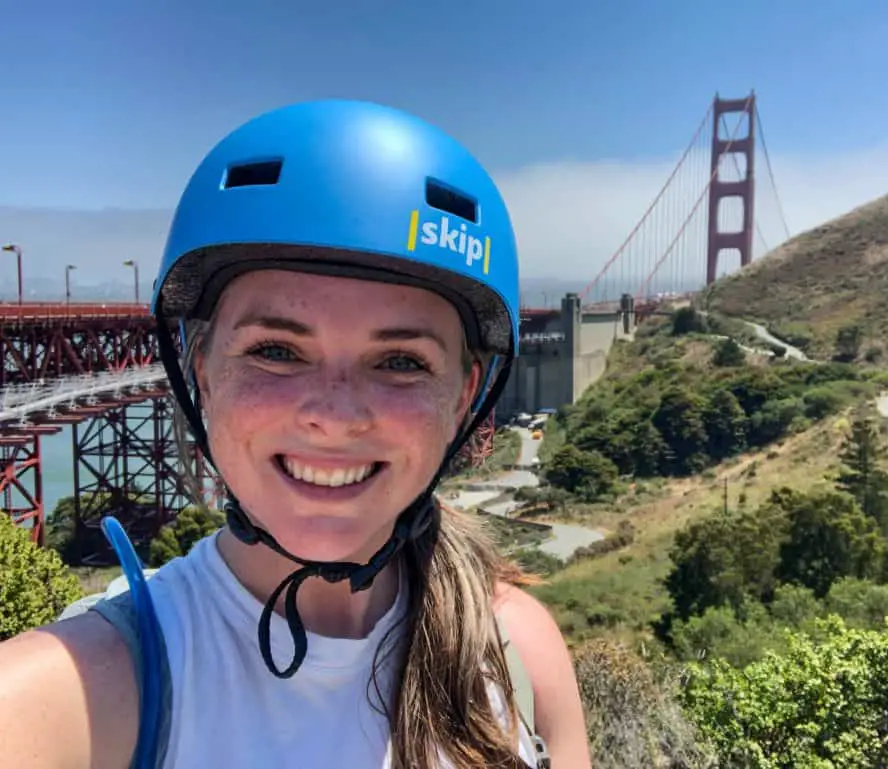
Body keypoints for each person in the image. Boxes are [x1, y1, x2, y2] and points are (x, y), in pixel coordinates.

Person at [0, 100, 591, 768]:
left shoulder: (520, 659)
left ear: (462, 398)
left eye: (401, 361)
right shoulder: (73, 692)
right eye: (276, 349)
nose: (334, 415)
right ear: (200, 370)